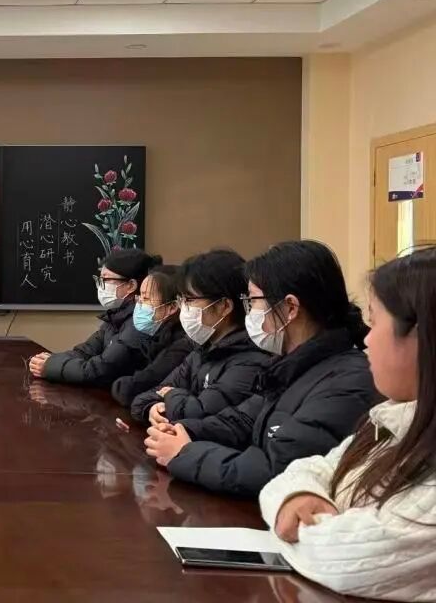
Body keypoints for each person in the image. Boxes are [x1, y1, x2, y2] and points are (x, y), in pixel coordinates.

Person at [259, 247, 436, 601]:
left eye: (374, 322)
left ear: (422, 336)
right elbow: (307, 469)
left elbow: (350, 561)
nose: (366, 338)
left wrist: (295, 525)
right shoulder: (391, 420)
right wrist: (299, 496)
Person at [144, 240, 375, 497]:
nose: (249, 313)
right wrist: (183, 430)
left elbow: (280, 471)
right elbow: (242, 420)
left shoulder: (347, 380)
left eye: (253, 301)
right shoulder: (292, 364)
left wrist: (185, 453)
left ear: (290, 307)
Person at [130, 249, 272, 425]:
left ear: (224, 306)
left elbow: (195, 415)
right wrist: (151, 409)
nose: (183, 308)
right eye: (182, 300)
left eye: (189, 300)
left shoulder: (250, 361)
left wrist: (172, 394)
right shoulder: (201, 351)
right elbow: (142, 399)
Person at [29, 249, 173, 390]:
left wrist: (51, 366)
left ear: (131, 285)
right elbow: (85, 351)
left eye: (106, 279)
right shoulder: (115, 316)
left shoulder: (141, 322)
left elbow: (101, 370)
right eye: (100, 279)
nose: (101, 285)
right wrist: (50, 361)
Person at [111, 265, 194, 407]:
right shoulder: (152, 334)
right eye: (139, 296)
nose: (139, 304)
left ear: (172, 307)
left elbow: (127, 389)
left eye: (146, 298)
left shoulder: (181, 346)